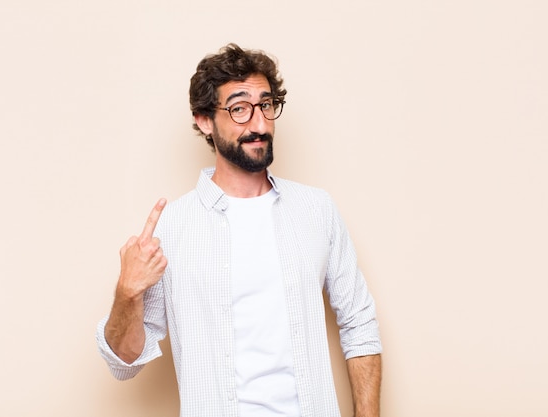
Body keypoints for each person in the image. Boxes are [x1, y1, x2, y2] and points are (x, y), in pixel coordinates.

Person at [96, 43, 382, 417]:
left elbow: (359, 322)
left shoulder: (316, 210)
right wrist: (127, 292)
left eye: (266, 105)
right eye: (239, 109)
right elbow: (124, 362)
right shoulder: (173, 227)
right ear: (203, 120)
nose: (260, 124)